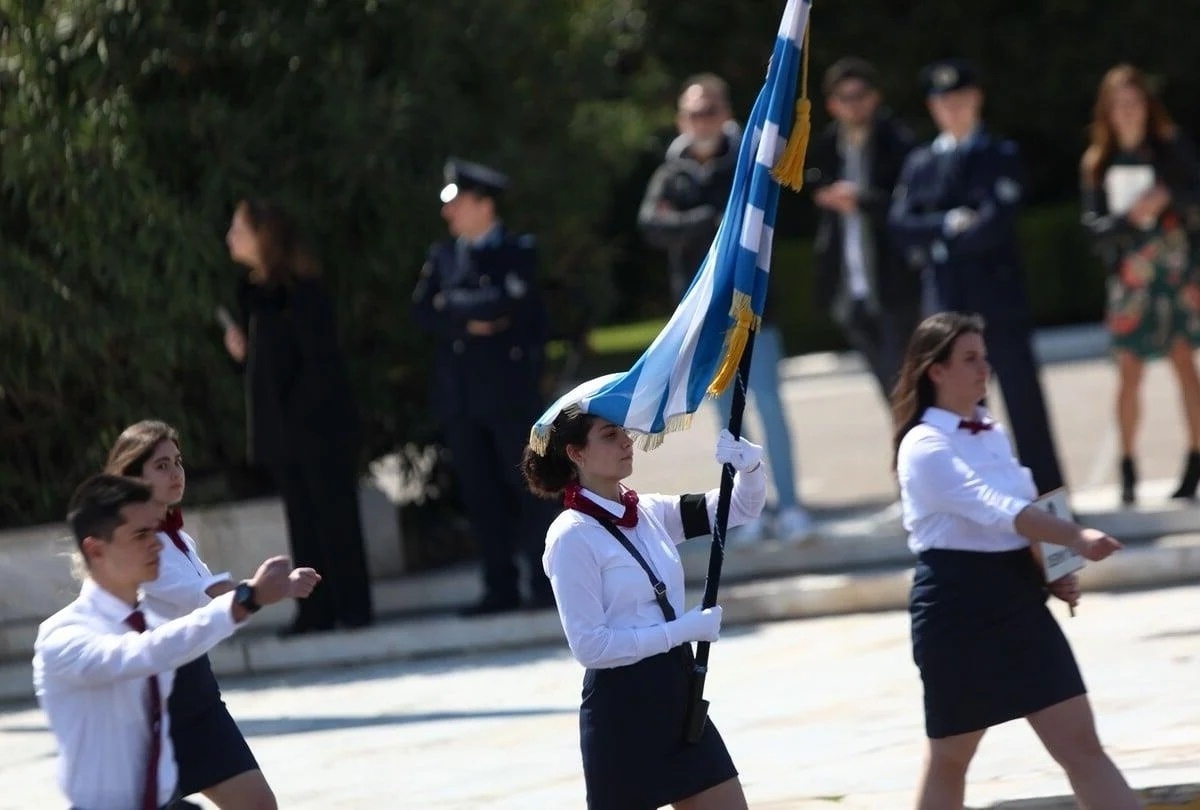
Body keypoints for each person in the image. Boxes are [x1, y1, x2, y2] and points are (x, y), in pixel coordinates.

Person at [892, 312, 1140, 810]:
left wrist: (1056, 566)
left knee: (1082, 747)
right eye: (969, 359)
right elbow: (994, 506)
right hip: (957, 609)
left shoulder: (989, 428)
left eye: (984, 357)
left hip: (1018, 598)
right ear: (935, 370)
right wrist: (1076, 535)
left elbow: (1027, 499)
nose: (984, 369)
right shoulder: (923, 444)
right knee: (950, 759)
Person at [521, 385, 766, 810]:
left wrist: (750, 469)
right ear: (577, 454)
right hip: (623, 708)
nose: (627, 442)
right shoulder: (571, 535)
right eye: (610, 435)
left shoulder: (649, 511)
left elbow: (736, 510)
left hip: (676, 689)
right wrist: (678, 631)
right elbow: (590, 646)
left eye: (624, 432)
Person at [33, 474, 314, 810]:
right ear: (96, 549)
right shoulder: (63, 635)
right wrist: (245, 599)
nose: (156, 544)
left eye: (154, 531)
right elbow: (143, 653)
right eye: (140, 535)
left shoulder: (149, 623)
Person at [104, 420, 319, 809]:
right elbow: (206, 594)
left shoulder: (177, 538)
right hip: (147, 711)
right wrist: (266, 590)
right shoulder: (137, 544)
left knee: (258, 804)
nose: (176, 473)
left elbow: (210, 595)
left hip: (197, 696)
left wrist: (269, 589)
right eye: (161, 466)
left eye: (177, 462)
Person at [640, 73, 812, 544]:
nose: (702, 121)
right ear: (681, 119)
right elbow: (652, 223)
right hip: (706, 319)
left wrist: (691, 222)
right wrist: (706, 222)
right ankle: (747, 511)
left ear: (726, 114)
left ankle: (792, 506)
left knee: (770, 409)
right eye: (693, 113)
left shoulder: (747, 159)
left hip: (754, 310)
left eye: (710, 111)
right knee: (727, 423)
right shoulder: (672, 172)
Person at [888, 58, 1065, 496]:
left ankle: (1052, 506)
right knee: (961, 417)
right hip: (948, 311)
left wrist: (937, 239)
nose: (953, 109)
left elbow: (996, 222)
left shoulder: (999, 155)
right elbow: (900, 225)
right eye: (944, 101)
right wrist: (949, 227)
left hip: (999, 304)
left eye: (961, 99)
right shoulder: (922, 163)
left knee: (1026, 410)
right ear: (932, 107)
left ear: (977, 99)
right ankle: (984, 508)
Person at [412, 158, 558, 615]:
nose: (448, 214)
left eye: (456, 204)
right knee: (480, 494)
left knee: (528, 489)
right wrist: (469, 314)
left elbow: (507, 307)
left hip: (510, 394)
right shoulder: (443, 256)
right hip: (462, 396)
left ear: (482, 204)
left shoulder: (517, 251)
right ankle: (499, 587)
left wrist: (454, 306)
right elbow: (423, 312)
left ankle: (543, 583)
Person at [222, 198, 374, 635]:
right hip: (284, 430)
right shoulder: (253, 293)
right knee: (303, 523)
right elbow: (269, 364)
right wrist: (242, 356)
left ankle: (353, 607)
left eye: (240, 230)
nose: (231, 239)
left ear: (264, 236)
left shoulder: (304, 291)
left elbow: (318, 363)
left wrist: (300, 416)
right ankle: (315, 610)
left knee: (335, 518)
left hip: (318, 427)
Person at [1080, 63, 1200, 505]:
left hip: (1174, 273)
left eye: (1135, 104)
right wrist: (1130, 218)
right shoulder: (1097, 163)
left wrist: (1169, 197)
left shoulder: (1171, 149)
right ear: (1108, 113)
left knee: (1185, 366)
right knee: (1129, 374)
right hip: (1131, 281)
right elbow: (1093, 229)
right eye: (1120, 106)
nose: (1129, 113)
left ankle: (1194, 458)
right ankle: (1127, 464)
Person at [806, 56, 920, 402]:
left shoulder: (897, 142)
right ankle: (908, 450)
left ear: (875, 97)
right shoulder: (827, 147)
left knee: (910, 383)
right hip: (850, 291)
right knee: (889, 387)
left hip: (894, 284)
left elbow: (912, 205)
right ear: (832, 105)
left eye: (860, 95)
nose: (853, 105)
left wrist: (861, 201)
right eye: (845, 98)